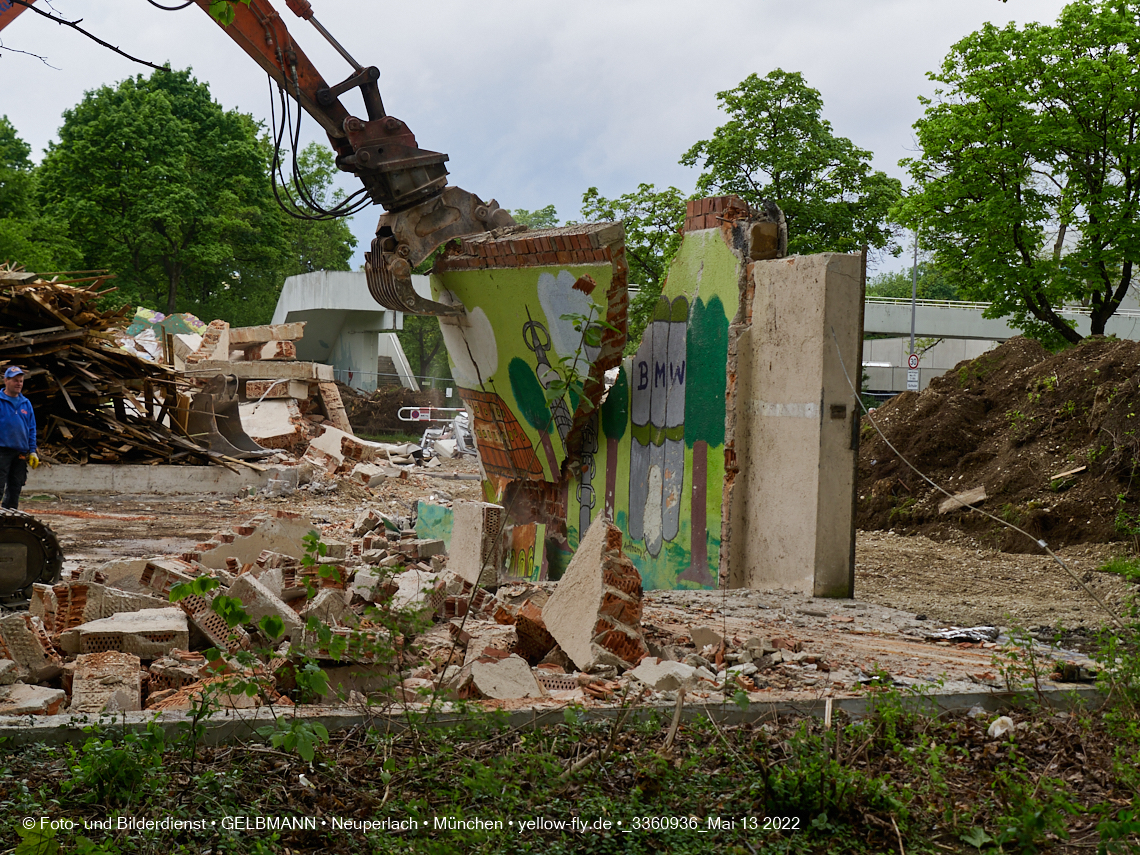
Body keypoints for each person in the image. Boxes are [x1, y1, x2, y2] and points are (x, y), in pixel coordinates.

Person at [0, 366, 38, 510]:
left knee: (15, 488)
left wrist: (32, 451)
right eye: (15, 380)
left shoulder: (26, 403)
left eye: (21, 381)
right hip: (2, 451)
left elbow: (31, 428)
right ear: (6, 380)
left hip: (20, 453)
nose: (19, 384)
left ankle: (9, 517)